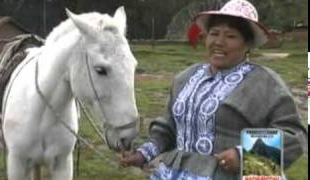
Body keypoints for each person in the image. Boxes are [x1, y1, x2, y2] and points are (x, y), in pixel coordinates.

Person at [118, 0, 308, 179]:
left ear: (247, 44)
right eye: (214, 33)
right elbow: (167, 128)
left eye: (231, 36)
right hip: (175, 172)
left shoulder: (265, 83)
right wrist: (143, 154)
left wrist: (244, 156)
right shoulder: (185, 78)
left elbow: (295, 135)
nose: (219, 41)